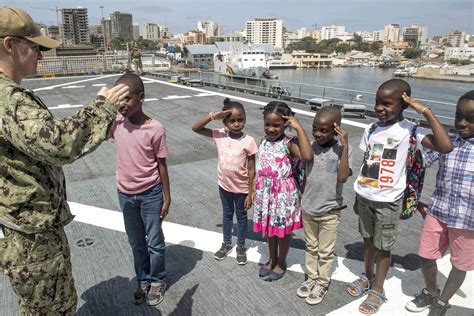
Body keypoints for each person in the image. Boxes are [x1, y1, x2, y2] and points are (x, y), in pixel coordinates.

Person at [0, 6, 129, 315]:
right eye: (34, 47)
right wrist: (102, 108)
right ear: (9, 45)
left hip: (28, 227)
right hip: (32, 236)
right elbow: (58, 143)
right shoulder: (8, 99)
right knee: (51, 310)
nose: (40, 56)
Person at [346, 79, 453, 314]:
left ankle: (378, 288)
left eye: (387, 103)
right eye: (377, 102)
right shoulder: (371, 129)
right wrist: (357, 196)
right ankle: (367, 275)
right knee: (367, 241)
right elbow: (367, 164)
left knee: (383, 247)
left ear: (403, 104)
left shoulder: (411, 130)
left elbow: (445, 146)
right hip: (365, 196)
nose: (379, 108)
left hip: (389, 201)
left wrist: (424, 110)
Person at [405, 90, 474, 316]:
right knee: (426, 255)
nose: (462, 123)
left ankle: (443, 301)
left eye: (470, 118)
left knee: (460, 264)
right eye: (458, 115)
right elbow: (420, 162)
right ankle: (431, 291)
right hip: (438, 210)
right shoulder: (449, 142)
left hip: (468, 220)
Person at [109, 73, 171, 306]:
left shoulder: (155, 129)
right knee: (136, 241)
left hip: (151, 194)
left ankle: (157, 280)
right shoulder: (116, 124)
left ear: (141, 98)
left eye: (127, 98)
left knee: (154, 241)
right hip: (125, 194)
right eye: (118, 100)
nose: (122, 105)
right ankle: (142, 279)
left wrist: (167, 197)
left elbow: (162, 165)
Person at [296, 107, 352, 305]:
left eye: (324, 130)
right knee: (311, 247)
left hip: (329, 211)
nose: (318, 134)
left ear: (336, 129)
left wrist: (345, 147)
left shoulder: (341, 150)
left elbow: (343, 177)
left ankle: (322, 282)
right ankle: (312, 278)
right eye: (315, 129)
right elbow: (304, 175)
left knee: (325, 251)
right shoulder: (310, 146)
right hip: (309, 207)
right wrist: (299, 198)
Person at [192, 98, 258, 265]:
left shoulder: (249, 141)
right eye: (232, 120)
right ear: (225, 121)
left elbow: (251, 170)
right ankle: (227, 243)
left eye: (240, 119)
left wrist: (251, 193)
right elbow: (196, 128)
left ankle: (241, 246)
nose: (236, 124)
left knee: (242, 218)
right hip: (225, 187)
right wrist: (213, 116)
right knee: (227, 215)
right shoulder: (219, 134)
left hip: (242, 189)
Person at [253, 101, 313, 281]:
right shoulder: (263, 141)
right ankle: (271, 258)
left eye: (276, 125)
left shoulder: (289, 143)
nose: (271, 129)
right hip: (266, 193)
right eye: (268, 124)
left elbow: (308, 156)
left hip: (283, 195)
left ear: (285, 124)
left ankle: (281, 261)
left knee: (283, 231)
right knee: (271, 230)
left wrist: (299, 128)